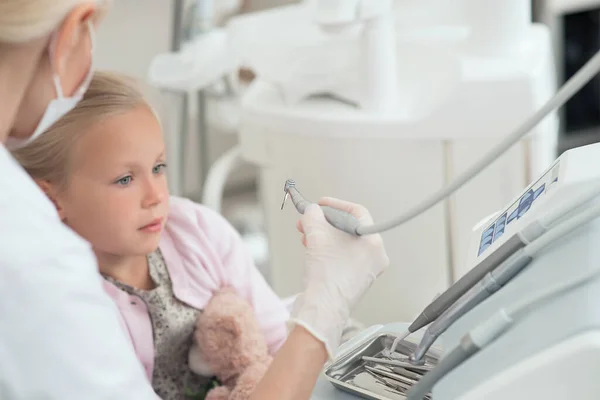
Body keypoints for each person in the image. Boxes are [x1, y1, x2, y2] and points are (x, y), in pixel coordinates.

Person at [0, 1, 390, 399]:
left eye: (159, 167)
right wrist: (325, 306)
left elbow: (276, 341)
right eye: (123, 179)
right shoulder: (67, 298)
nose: (155, 196)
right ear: (50, 199)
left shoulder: (197, 234)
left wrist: (321, 320)